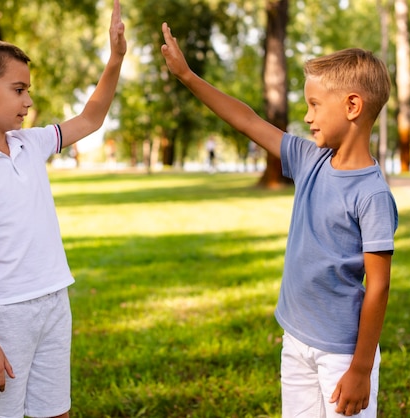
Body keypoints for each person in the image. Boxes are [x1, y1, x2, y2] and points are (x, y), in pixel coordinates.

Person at [161, 23, 397, 418]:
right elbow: (249, 121)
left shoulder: (371, 194)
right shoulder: (310, 160)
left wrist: (361, 367)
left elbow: (379, 286)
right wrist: (187, 76)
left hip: (342, 353)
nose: (307, 117)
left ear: (352, 107)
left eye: (315, 105)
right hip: (296, 338)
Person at [0, 2, 126, 417]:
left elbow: (91, 117)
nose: (28, 100)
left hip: (54, 300)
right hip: (5, 316)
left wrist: (114, 60)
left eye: (28, 91)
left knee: (55, 411)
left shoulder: (31, 143)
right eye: (19, 89)